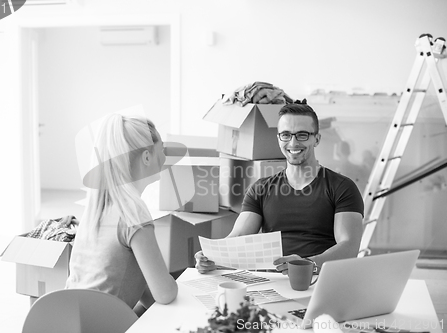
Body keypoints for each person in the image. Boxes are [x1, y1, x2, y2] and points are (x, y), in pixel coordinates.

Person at [196, 99, 364, 274]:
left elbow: (349, 246)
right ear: (278, 138)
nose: (293, 143)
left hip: (318, 279)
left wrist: (306, 264)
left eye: (302, 135)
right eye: (286, 135)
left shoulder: (342, 187)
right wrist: (213, 257)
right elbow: (238, 237)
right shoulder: (260, 189)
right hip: (272, 282)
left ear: (317, 139)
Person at [66, 113, 177, 316]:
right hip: (102, 325)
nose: (165, 157)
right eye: (161, 150)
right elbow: (165, 294)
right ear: (146, 157)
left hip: (73, 320)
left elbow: (133, 284)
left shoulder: (97, 209)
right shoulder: (133, 210)